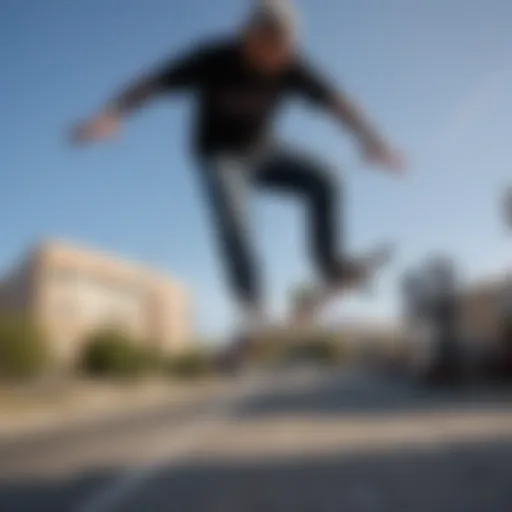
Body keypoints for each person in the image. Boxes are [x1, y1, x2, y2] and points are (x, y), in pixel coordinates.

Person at [71, 0, 405, 339]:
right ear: (247, 36)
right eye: (264, 48)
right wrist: (113, 112)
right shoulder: (214, 58)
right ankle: (251, 304)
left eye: (279, 51)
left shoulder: (292, 67)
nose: (270, 60)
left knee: (325, 180)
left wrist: (372, 141)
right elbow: (154, 83)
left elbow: (339, 103)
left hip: (264, 153)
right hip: (219, 155)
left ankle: (331, 266)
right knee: (235, 216)